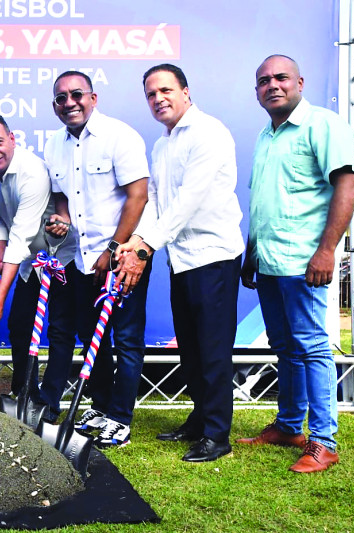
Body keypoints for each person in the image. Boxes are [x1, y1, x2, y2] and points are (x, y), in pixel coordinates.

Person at [236, 55, 354, 473]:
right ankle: (289, 425)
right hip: (270, 262)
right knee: (285, 347)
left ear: (300, 82)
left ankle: (324, 441)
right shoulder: (266, 136)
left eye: (281, 77)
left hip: (304, 261)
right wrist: (251, 255)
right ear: (257, 92)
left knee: (311, 348)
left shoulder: (322, 125)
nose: (272, 85)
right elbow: (262, 201)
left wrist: (327, 250)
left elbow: (347, 184)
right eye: (263, 80)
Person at [118, 64, 244, 462]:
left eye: (166, 90)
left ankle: (217, 436)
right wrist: (139, 240)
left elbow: (189, 201)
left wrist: (144, 246)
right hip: (181, 258)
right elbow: (157, 204)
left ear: (186, 92)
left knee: (212, 349)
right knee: (189, 349)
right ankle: (200, 419)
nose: (159, 99)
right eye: (151, 94)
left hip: (214, 257)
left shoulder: (210, 132)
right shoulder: (162, 145)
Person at [43, 71, 151, 448]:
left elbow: (139, 196)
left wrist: (113, 250)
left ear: (93, 97)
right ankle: (102, 406)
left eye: (77, 94)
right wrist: (62, 222)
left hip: (123, 257)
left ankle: (121, 418)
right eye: (60, 98)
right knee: (92, 338)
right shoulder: (54, 145)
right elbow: (62, 200)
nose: (69, 102)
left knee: (126, 337)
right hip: (81, 259)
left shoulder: (119, 136)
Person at [0, 114, 76, 420]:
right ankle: (25, 394)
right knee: (20, 327)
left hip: (60, 259)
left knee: (60, 331)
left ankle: (49, 404)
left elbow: (21, 233)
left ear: (12, 139)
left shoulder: (32, 172)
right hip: (29, 262)